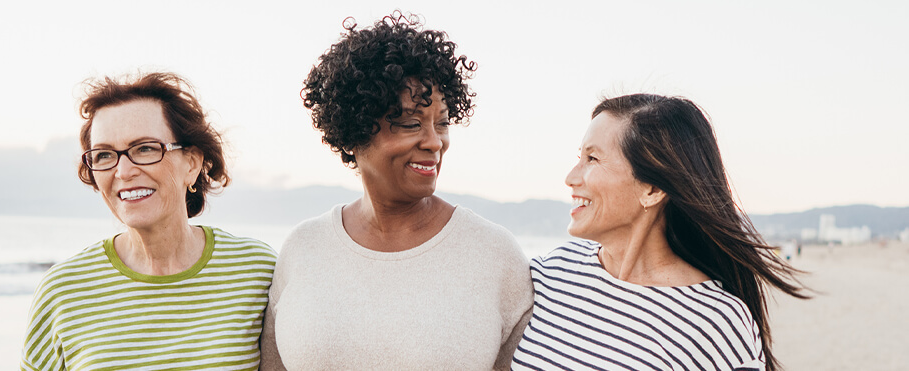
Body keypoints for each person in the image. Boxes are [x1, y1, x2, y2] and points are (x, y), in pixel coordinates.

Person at [259, 12, 534, 370]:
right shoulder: (302, 249)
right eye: (410, 124)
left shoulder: (494, 255)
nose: (435, 143)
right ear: (353, 132)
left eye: (443, 123)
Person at [512, 94, 808, 371]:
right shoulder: (550, 273)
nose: (570, 178)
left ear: (652, 189)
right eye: (580, 157)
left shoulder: (715, 321)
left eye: (592, 159)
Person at [21, 72, 277, 370]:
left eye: (145, 148)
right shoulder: (62, 292)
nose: (124, 171)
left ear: (192, 163)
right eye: (104, 155)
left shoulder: (257, 271)